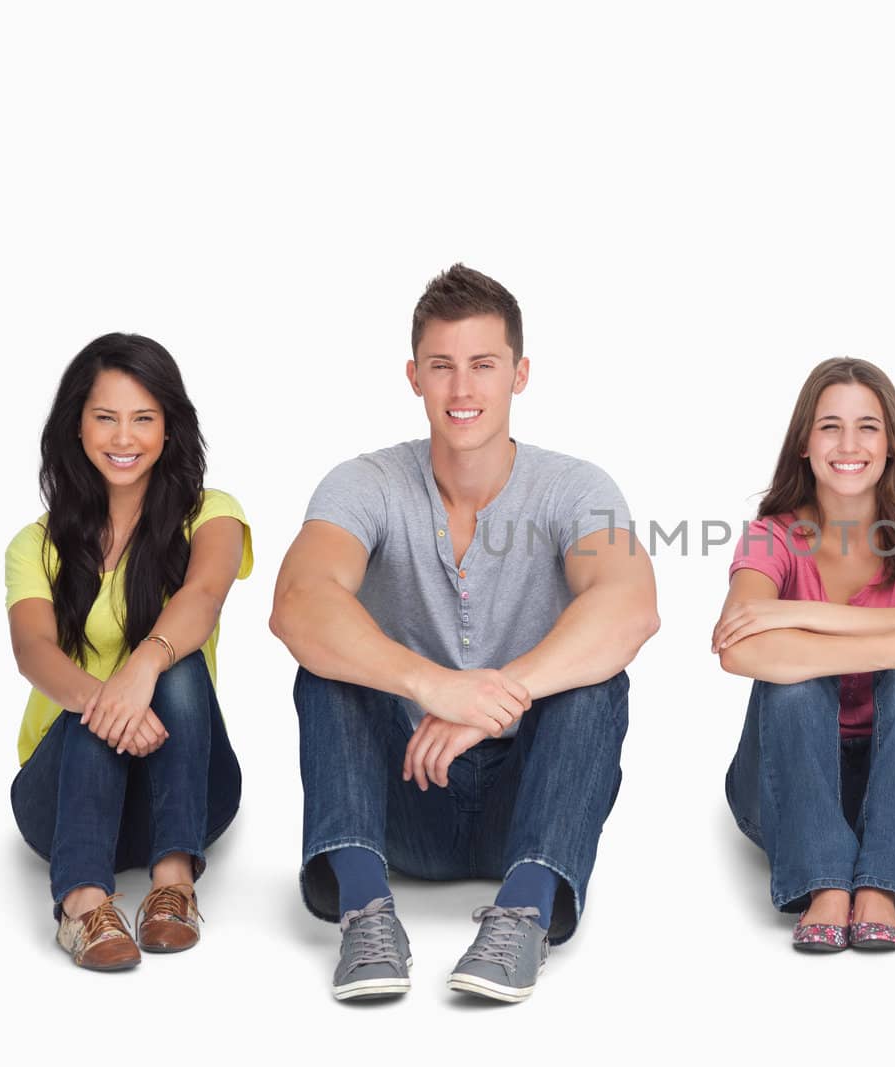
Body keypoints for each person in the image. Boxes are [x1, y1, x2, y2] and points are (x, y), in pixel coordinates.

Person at [272, 263, 658, 1004]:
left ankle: (526, 907)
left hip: (532, 795)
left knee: (598, 678)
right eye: (442, 367)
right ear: (413, 376)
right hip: (404, 792)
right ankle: (363, 907)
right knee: (325, 663)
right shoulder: (364, 482)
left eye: (483, 365)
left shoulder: (577, 487)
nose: (462, 390)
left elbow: (630, 604)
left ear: (520, 373)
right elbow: (298, 600)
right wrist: (434, 685)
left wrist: (492, 702)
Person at [714, 357, 895, 952]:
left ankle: (884, 884)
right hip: (788, 786)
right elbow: (736, 648)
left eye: (868, 427)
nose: (849, 444)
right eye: (830, 426)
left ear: (892, 445)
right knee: (795, 681)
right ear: (805, 444)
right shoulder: (772, 535)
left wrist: (799, 614)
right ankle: (824, 883)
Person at [7, 333, 251, 971]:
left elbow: (202, 596)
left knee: (177, 661)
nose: (124, 437)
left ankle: (173, 882)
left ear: (169, 428)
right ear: (77, 427)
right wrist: (108, 697)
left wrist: (145, 665)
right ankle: (84, 903)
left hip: (187, 793)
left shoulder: (212, 515)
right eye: (105, 417)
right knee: (91, 704)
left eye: (143, 418)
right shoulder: (35, 545)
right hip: (61, 798)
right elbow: (33, 649)